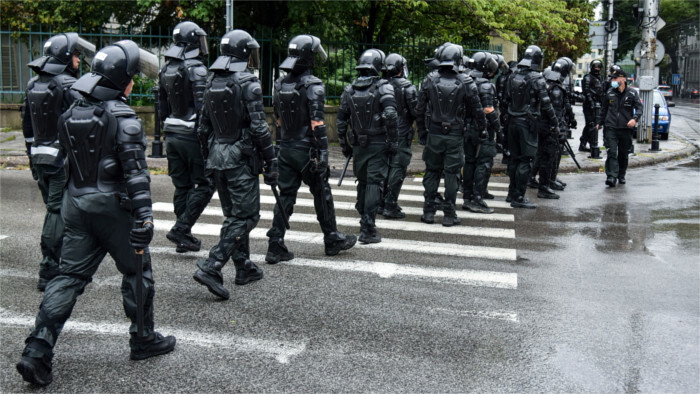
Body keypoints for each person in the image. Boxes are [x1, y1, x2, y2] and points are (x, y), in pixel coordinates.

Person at [16, 40, 175, 387]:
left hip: (77, 206)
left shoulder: (70, 113)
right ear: (122, 81)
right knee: (138, 270)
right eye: (132, 76)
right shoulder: (124, 118)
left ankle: (37, 349)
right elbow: (137, 175)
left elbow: (65, 162)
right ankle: (143, 338)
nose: (134, 82)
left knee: (68, 276)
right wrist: (145, 218)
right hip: (113, 209)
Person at [192, 30, 275, 300]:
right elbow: (260, 128)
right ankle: (212, 264)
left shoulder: (212, 80)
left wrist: (208, 158)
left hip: (218, 157)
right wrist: (271, 162)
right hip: (240, 158)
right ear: (243, 52)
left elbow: (202, 128)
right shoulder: (248, 83)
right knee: (247, 216)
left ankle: (244, 267)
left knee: (234, 215)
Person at [265, 35, 356, 263]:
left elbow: (278, 121)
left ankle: (275, 243)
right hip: (306, 150)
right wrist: (323, 153)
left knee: (286, 195)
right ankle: (332, 238)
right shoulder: (313, 85)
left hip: (286, 148)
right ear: (308, 57)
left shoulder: (279, 84)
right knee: (322, 192)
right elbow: (317, 124)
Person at [21, 33, 94, 291]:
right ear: (65, 57)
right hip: (62, 160)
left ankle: (65, 263)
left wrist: (31, 158)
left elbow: (27, 127)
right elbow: (85, 123)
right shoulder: (69, 85)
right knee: (57, 213)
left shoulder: (33, 85)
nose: (78, 60)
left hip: (41, 158)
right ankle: (49, 269)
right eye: (75, 55)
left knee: (60, 212)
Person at [158, 21, 216, 253]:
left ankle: (183, 237)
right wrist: (206, 139)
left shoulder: (166, 68)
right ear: (192, 41)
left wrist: (167, 130)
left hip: (172, 132)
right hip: (192, 134)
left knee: (182, 186)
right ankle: (182, 228)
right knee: (205, 183)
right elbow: (203, 109)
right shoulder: (197, 68)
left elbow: (161, 107)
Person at [415, 43, 486, 225]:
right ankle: (449, 214)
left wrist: (422, 132)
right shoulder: (466, 81)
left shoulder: (429, 79)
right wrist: (482, 129)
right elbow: (478, 110)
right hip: (454, 134)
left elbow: (420, 110)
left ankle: (428, 211)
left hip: (435, 133)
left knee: (432, 171)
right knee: (452, 173)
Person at [337, 48, 398, 243]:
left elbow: (340, 121)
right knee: (373, 182)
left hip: (358, 144)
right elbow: (390, 114)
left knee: (363, 181)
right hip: (378, 142)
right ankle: (368, 227)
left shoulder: (349, 90)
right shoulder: (384, 87)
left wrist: (344, 144)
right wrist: (394, 140)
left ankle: (363, 212)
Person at [503, 45, 559, 208]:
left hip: (513, 121)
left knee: (514, 159)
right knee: (526, 160)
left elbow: (505, 100)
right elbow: (546, 103)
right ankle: (518, 197)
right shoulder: (536, 78)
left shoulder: (512, 76)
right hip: (527, 124)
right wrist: (555, 122)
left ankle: (511, 193)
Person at [381, 53, 418, 219]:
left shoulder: (379, 85)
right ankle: (390, 203)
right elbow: (416, 111)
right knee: (398, 167)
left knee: (383, 167)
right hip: (401, 133)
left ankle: (380, 202)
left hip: (382, 133)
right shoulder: (407, 87)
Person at [462, 52, 500, 214]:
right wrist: (499, 128)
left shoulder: (465, 80)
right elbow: (488, 109)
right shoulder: (485, 84)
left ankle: (468, 196)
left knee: (469, 162)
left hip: (467, 128)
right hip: (481, 129)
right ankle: (476, 197)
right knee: (483, 163)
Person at [596, 67, 642, 187]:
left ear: (623, 79)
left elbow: (640, 108)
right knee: (611, 152)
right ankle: (611, 176)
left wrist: (634, 119)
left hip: (625, 128)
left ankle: (621, 175)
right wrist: (599, 122)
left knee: (623, 153)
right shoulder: (610, 92)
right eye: (612, 78)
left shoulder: (632, 93)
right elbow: (604, 109)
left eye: (615, 78)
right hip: (611, 127)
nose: (613, 80)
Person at [543, 58, 576, 192]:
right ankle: (547, 182)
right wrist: (557, 127)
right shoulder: (555, 89)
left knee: (552, 154)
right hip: (552, 127)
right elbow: (555, 113)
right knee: (551, 155)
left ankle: (550, 179)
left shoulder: (552, 85)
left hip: (553, 125)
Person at [580, 59, 604, 157]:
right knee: (590, 124)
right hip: (589, 105)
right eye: (596, 67)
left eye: (599, 67)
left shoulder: (599, 79)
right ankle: (591, 144)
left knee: (592, 124)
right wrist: (591, 102)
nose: (597, 69)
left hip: (597, 105)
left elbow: (601, 91)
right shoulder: (588, 78)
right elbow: (586, 91)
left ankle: (584, 144)